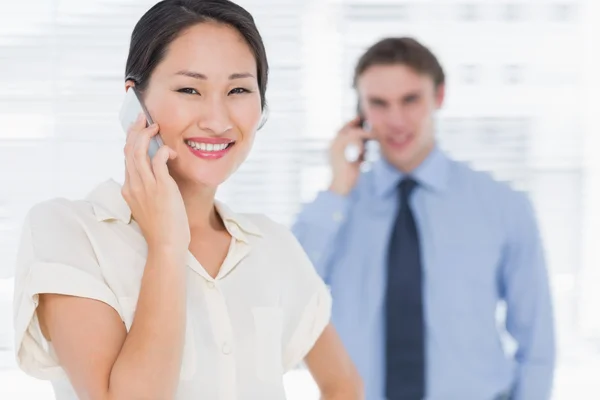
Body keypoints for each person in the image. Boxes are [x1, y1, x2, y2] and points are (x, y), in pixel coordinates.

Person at [12, 1, 363, 399]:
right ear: (134, 102)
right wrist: (166, 245)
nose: (217, 120)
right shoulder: (69, 232)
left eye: (239, 90)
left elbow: (343, 384)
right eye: (189, 89)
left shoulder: (271, 245)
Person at [292, 37, 555, 400]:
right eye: (379, 104)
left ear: (439, 96)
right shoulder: (336, 210)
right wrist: (337, 186)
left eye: (410, 100)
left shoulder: (504, 206)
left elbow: (537, 344)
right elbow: (287, 294)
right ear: (360, 111)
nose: (396, 120)